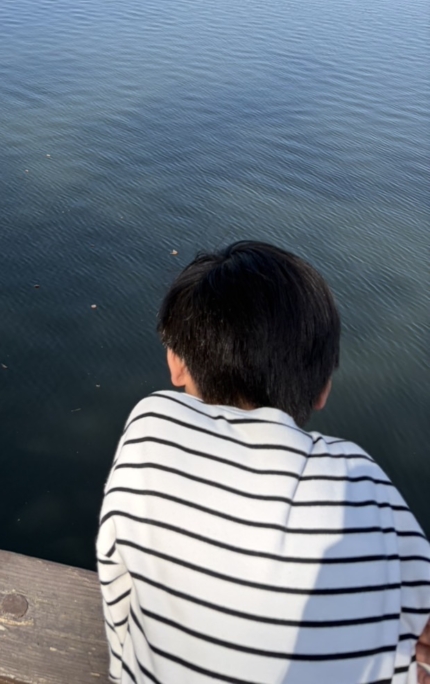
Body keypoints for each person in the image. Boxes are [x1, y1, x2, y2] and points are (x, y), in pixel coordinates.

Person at [98, 241, 430, 683]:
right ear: (323, 390)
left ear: (175, 364)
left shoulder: (150, 429)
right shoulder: (360, 478)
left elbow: (119, 590)